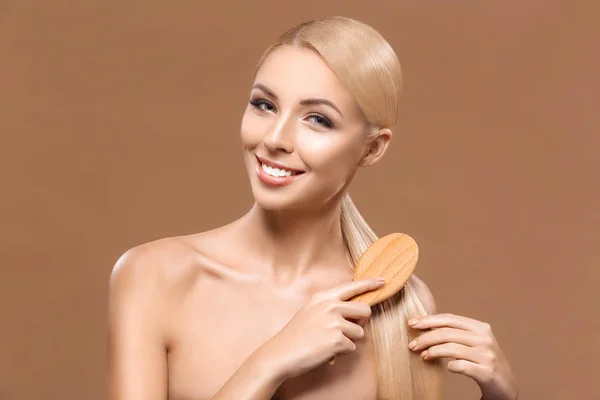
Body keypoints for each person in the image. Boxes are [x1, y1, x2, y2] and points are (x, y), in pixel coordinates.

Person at [106, 16, 519, 400]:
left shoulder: (396, 305)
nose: (276, 138)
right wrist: (269, 364)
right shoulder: (155, 276)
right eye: (264, 105)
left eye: (318, 119)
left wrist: (501, 397)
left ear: (371, 149)